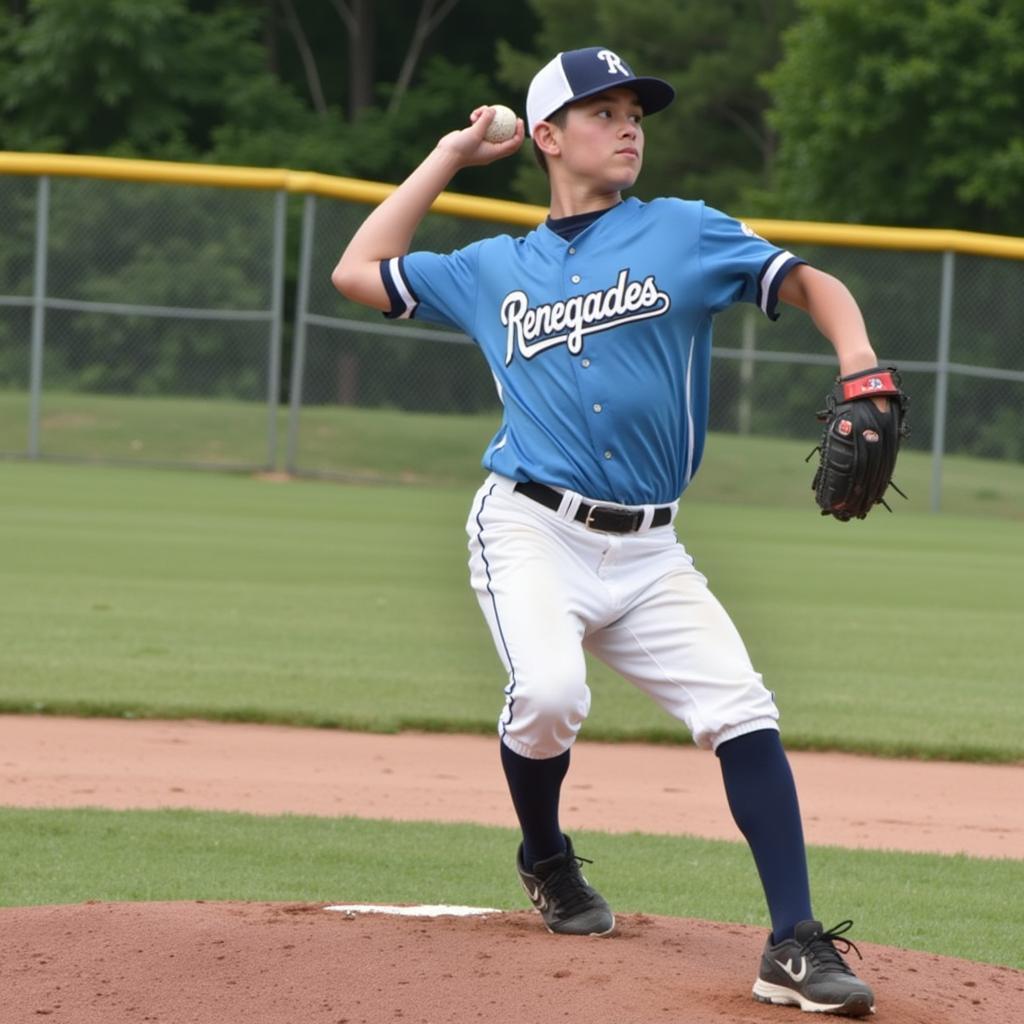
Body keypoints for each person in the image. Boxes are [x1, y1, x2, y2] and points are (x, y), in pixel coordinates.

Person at [332, 46, 878, 1018]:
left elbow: (811, 284)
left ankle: (791, 942)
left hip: (652, 549)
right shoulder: (490, 266)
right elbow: (356, 269)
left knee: (741, 708)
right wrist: (450, 156)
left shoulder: (684, 232)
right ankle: (544, 854)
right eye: (600, 111)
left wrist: (861, 365)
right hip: (530, 525)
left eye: (635, 110)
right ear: (545, 136)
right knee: (547, 694)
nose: (627, 125)